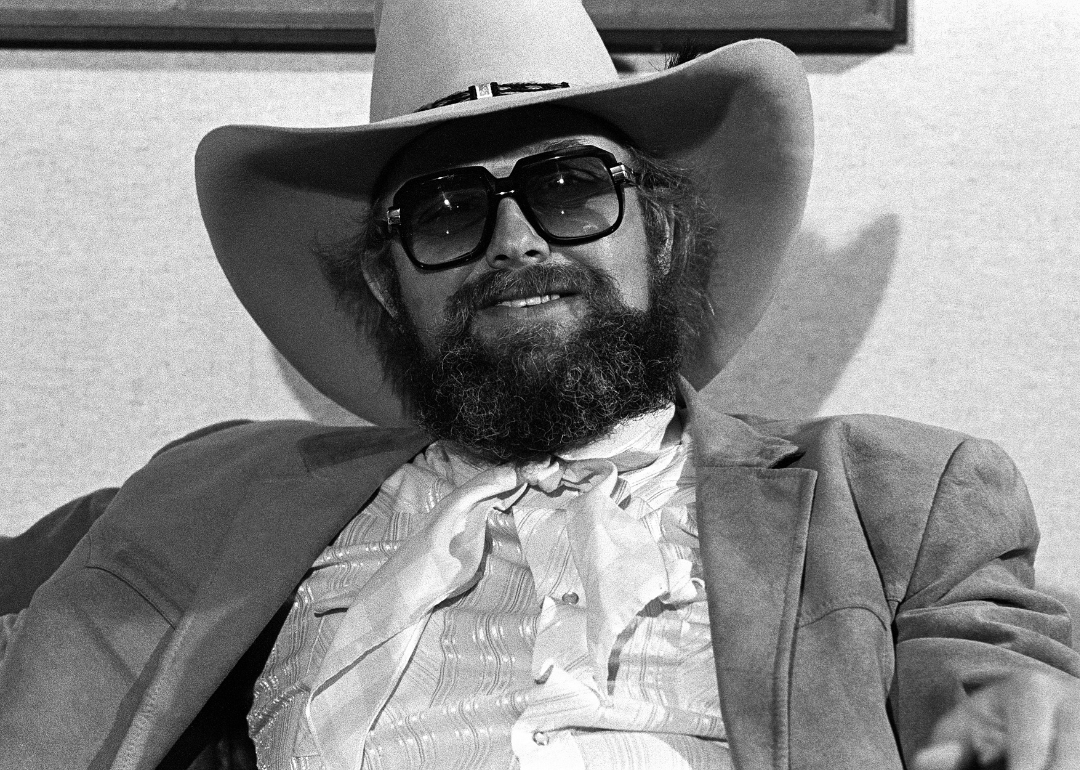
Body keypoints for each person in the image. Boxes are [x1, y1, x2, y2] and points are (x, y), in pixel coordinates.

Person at [2, 0, 1079, 768]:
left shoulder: (891, 489)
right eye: (447, 211)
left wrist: (1006, 713)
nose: (514, 242)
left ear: (657, 232)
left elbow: (993, 663)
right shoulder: (213, 495)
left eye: (569, 188)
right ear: (387, 281)